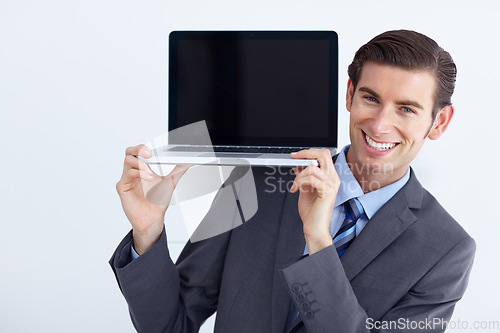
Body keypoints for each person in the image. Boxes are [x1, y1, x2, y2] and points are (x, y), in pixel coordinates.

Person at [110, 30, 475, 333]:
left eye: (406, 109)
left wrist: (319, 242)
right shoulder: (257, 180)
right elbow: (172, 325)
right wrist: (148, 232)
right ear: (349, 94)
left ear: (439, 122)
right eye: (370, 98)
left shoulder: (445, 250)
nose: (380, 125)